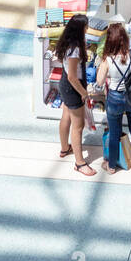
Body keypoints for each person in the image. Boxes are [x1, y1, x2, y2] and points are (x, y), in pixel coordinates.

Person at [95, 22, 131, 173]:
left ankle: (111, 166)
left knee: (114, 132)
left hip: (115, 98)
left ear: (109, 40)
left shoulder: (108, 60)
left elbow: (99, 81)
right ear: (125, 38)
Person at [54, 13, 97, 176]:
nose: (87, 29)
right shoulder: (75, 49)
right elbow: (73, 76)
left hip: (65, 84)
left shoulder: (67, 43)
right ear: (81, 29)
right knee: (77, 127)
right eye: (86, 27)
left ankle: (65, 148)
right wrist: (84, 93)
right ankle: (80, 163)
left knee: (66, 116)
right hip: (73, 86)